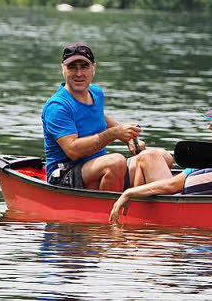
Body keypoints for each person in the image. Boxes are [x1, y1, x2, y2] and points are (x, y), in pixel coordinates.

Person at [108, 99, 212, 222]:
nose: (210, 127)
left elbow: (172, 185)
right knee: (159, 155)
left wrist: (129, 192)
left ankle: (134, 217)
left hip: (186, 203)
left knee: (147, 157)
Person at [42, 42, 171, 191]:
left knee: (160, 156)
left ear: (93, 68)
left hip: (95, 168)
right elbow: (73, 151)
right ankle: (110, 210)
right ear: (63, 69)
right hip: (64, 173)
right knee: (116, 161)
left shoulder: (96, 93)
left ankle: (162, 205)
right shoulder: (57, 106)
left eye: (84, 67)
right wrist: (113, 134)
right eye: (72, 67)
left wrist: (128, 138)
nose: (79, 73)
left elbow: (99, 115)